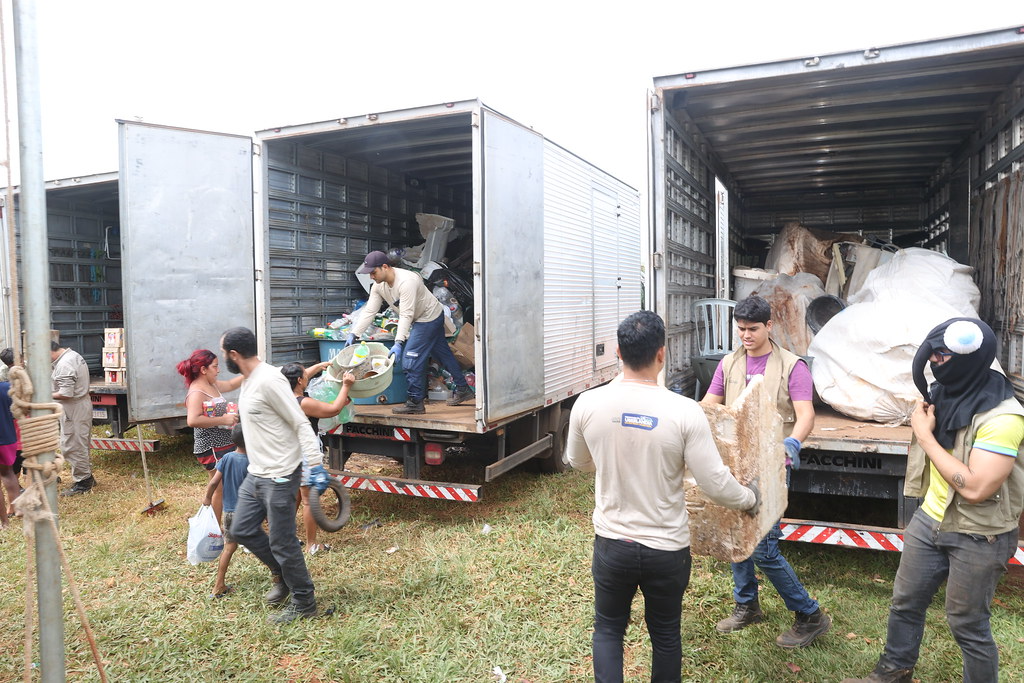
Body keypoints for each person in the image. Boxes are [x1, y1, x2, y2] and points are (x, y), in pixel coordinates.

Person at [567, 310, 759, 683]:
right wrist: (750, 499)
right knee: (666, 635)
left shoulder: (587, 404)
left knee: (608, 629)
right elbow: (714, 482)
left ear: (618, 353)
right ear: (662, 354)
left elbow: (577, 462)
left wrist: (607, 461)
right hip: (666, 550)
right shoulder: (684, 412)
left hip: (612, 544)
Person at [843, 318, 1024, 683]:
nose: (936, 363)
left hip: (978, 533)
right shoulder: (944, 394)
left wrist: (924, 437)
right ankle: (893, 673)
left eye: (944, 355)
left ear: (970, 358)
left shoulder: (1002, 417)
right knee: (905, 602)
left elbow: (975, 489)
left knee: (967, 624)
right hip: (931, 520)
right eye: (934, 354)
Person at [701, 295, 830, 649]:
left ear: (769, 327)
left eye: (752, 329)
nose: (745, 335)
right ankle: (747, 605)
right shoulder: (728, 364)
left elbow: (806, 415)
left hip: (773, 465)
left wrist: (792, 444)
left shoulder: (792, 366)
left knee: (764, 550)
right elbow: (710, 405)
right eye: (740, 328)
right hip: (736, 463)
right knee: (737, 537)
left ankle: (810, 615)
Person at [220, 327, 325, 624]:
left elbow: (300, 423)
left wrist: (315, 465)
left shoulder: (269, 380)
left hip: (280, 473)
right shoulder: (250, 380)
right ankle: (281, 573)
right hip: (258, 471)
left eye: (224, 352)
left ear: (235, 355)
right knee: (240, 529)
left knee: (283, 542)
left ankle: (304, 600)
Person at [346, 250, 473, 415]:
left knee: (410, 360)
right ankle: (463, 388)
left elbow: (406, 314)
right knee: (443, 354)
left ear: (385, 266)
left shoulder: (407, 281)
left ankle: (415, 402)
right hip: (421, 318)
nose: (371, 276)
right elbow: (370, 310)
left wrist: (399, 342)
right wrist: (354, 334)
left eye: (373, 272)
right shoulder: (379, 285)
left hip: (428, 318)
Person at [281, 361, 355, 556]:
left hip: (289, 449)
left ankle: (286, 536)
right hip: (304, 451)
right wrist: (346, 386)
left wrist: (320, 366)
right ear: (298, 380)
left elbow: (304, 374)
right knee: (308, 499)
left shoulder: (282, 394)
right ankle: (311, 544)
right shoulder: (303, 403)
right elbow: (333, 410)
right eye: (304, 376)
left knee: (296, 495)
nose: (308, 376)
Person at [177, 349, 243, 523]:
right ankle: (215, 528)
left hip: (223, 442)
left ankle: (223, 524)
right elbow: (192, 420)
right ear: (203, 369)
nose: (218, 370)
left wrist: (248, 374)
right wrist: (224, 419)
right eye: (215, 366)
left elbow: (229, 385)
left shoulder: (211, 384)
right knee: (219, 488)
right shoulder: (197, 391)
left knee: (225, 486)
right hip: (211, 446)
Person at [202, 424, 250, 599]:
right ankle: (279, 577)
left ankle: (218, 585)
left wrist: (208, 498)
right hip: (247, 513)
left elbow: (214, 482)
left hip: (229, 512)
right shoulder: (253, 461)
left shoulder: (226, 458)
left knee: (229, 547)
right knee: (263, 545)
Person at [51, 341, 94, 496]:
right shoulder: (73, 355)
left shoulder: (64, 364)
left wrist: (43, 394)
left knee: (73, 444)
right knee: (79, 442)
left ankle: (83, 482)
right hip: (79, 404)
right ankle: (86, 476)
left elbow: (66, 393)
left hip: (73, 407)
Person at [0, 378, 22, 528]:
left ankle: (4, 522)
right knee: (9, 473)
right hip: (8, 438)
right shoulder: (7, 387)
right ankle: (18, 509)